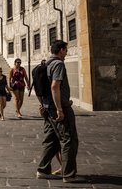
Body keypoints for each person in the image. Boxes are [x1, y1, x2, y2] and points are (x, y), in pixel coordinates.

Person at [37, 40, 84, 183]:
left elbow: (38, 89)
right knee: (68, 140)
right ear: (61, 50)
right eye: (66, 50)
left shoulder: (45, 65)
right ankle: (69, 174)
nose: (67, 52)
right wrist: (59, 108)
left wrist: (44, 105)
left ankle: (43, 170)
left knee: (51, 141)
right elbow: (54, 86)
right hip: (58, 109)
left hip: (47, 108)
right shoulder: (58, 64)